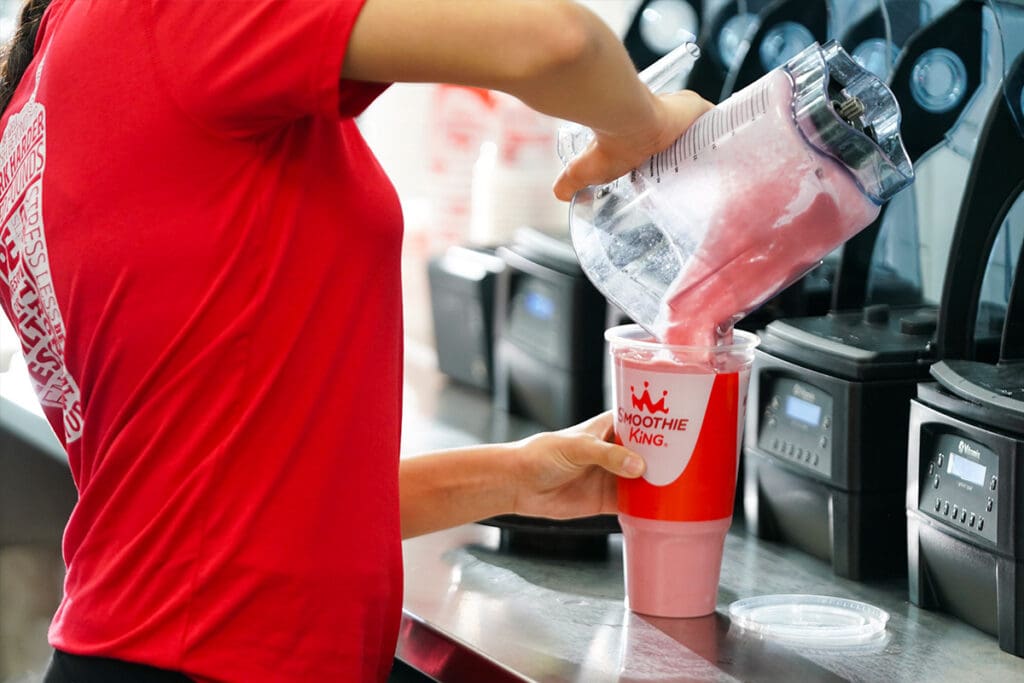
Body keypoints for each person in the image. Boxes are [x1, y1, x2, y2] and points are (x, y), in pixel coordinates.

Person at [0, 0, 711, 681]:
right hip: (214, 662)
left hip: (141, 652)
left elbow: (213, 498)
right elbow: (558, 42)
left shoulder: (38, 93)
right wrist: (645, 128)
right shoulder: (166, 16)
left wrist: (516, 477)